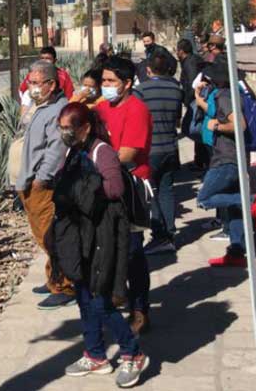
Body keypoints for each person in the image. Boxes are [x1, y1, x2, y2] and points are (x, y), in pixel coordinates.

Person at [53, 102, 150, 387]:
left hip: (102, 235)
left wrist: (81, 190)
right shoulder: (74, 150)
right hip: (80, 235)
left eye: (68, 128)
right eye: (61, 128)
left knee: (100, 301)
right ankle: (95, 354)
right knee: (84, 298)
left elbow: (115, 188)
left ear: (84, 127)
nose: (64, 133)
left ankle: (132, 352)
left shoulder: (101, 151)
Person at [95, 56, 153, 336]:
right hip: (105, 185)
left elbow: (128, 153)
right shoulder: (102, 107)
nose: (105, 86)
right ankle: (117, 296)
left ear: (127, 83)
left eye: (110, 81)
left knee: (131, 251)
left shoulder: (137, 110)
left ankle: (140, 308)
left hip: (130, 188)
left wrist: (99, 167)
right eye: (103, 81)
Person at [194, 60, 256, 268]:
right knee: (234, 208)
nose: (204, 80)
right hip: (236, 158)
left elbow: (238, 124)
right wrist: (200, 101)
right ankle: (236, 250)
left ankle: (252, 201)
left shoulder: (223, 95)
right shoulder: (232, 94)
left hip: (225, 159)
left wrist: (215, 125)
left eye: (207, 77)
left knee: (204, 198)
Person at [15, 61, 72, 309]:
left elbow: (55, 150)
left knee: (52, 236)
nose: (33, 88)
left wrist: (41, 179)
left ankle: (66, 285)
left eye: (37, 83)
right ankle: (54, 278)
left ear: (51, 84)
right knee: (43, 236)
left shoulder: (58, 111)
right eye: (31, 82)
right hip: (30, 182)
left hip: (43, 185)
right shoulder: (42, 106)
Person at [139, 52, 182, 255]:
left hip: (150, 149)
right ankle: (170, 234)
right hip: (171, 147)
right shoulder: (176, 88)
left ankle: (159, 235)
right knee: (167, 190)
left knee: (151, 193)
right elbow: (177, 119)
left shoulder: (141, 90)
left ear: (148, 70)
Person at [175, 39, 208, 171]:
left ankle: (202, 161)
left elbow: (192, 84)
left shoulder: (190, 64)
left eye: (177, 50)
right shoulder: (192, 60)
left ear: (181, 51)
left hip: (195, 101)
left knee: (194, 130)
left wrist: (188, 100)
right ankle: (199, 160)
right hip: (195, 100)